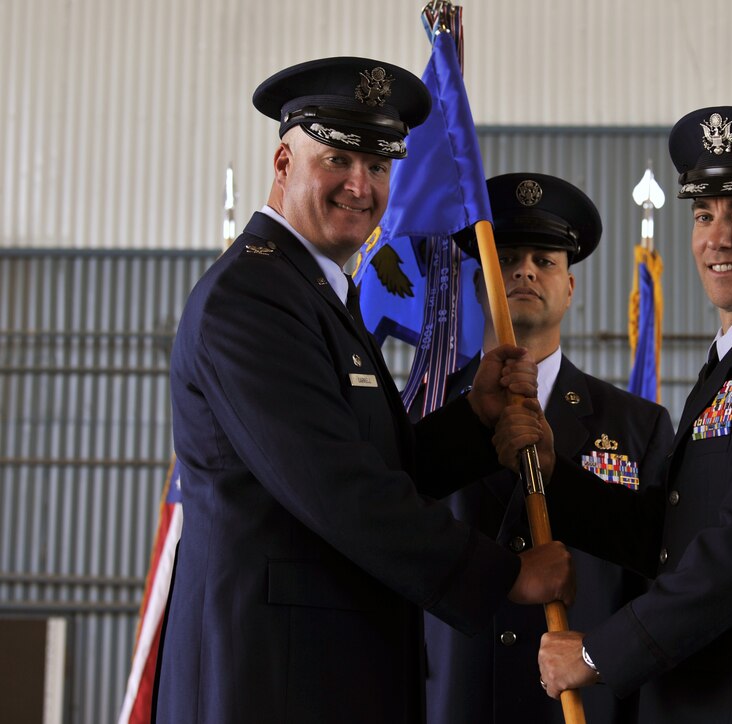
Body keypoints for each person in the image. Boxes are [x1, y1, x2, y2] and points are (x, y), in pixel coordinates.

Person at [153, 58, 575, 724]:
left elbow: (378, 463)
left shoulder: (313, 291)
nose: (361, 185)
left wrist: (476, 418)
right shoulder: (250, 300)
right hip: (268, 683)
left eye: (378, 167)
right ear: (284, 163)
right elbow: (339, 487)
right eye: (339, 160)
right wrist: (503, 575)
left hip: (320, 674)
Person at [516, 106, 732, 723]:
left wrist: (597, 653)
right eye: (705, 214)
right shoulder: (731, 369)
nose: (716, 237)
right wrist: (552, 474)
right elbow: (671, 536)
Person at [420, 172, 674, 724]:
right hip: (451, 704)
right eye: (507, 256)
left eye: (545, 259)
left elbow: (656, 594)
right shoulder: (424, 417)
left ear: (570, 286)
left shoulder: (638, 426)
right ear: (478, 281)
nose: (525, 270)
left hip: (583, 709)